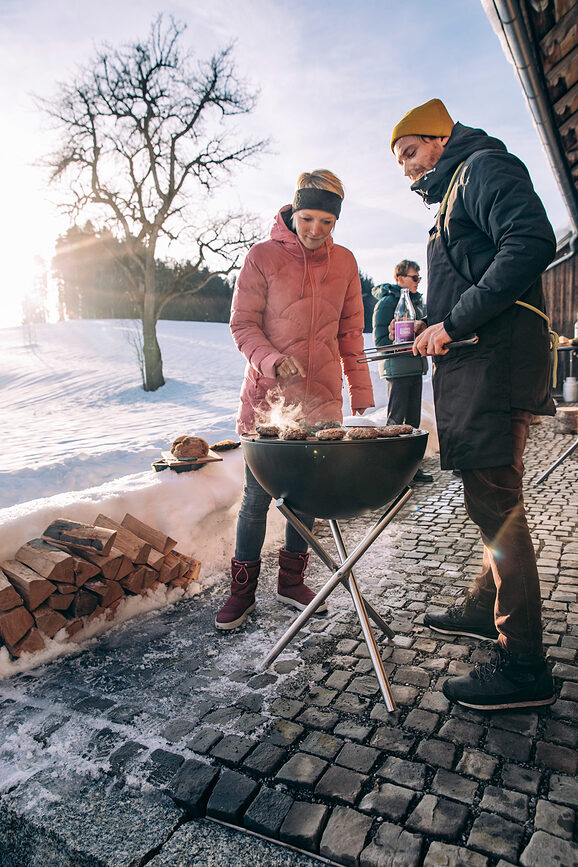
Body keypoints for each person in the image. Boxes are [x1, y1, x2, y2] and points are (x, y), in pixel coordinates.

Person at [390, 98, 557, 710]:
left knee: (496, 503)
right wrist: (435, 324)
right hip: (479, 363)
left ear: (439, 138)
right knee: (493, 499)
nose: (405, 167)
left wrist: (453, 322)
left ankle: (524, 665)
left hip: (495, 364)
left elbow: (530, 240)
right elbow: (477, 270)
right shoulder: (455, 189)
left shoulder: (483, 167)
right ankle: (485, 607)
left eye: (409, 151)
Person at [216, 169, 374, 630]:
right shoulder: (262, 256)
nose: (315, 230)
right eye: (308, 218)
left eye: (327, 222)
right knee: (255, 498)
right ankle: (242, 593)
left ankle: (291, 583)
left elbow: (350, 331)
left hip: (321, 399)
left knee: (305, 497)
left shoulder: (344, 262)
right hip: (267, 399)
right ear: (293, 210)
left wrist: (360, 388)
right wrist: (271, 359)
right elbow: (242, 324)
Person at [372, 259, 433, 483]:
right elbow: (380, 340)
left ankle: (410, 470)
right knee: (396, 421)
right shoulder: (388, 303)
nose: (418, 282)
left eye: (419, 278)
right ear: (400, 279)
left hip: (415, 366)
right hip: (397, 369)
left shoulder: (417, 303)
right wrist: (396, 337)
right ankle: (391, 470)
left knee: (413, 422)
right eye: (414, 277)